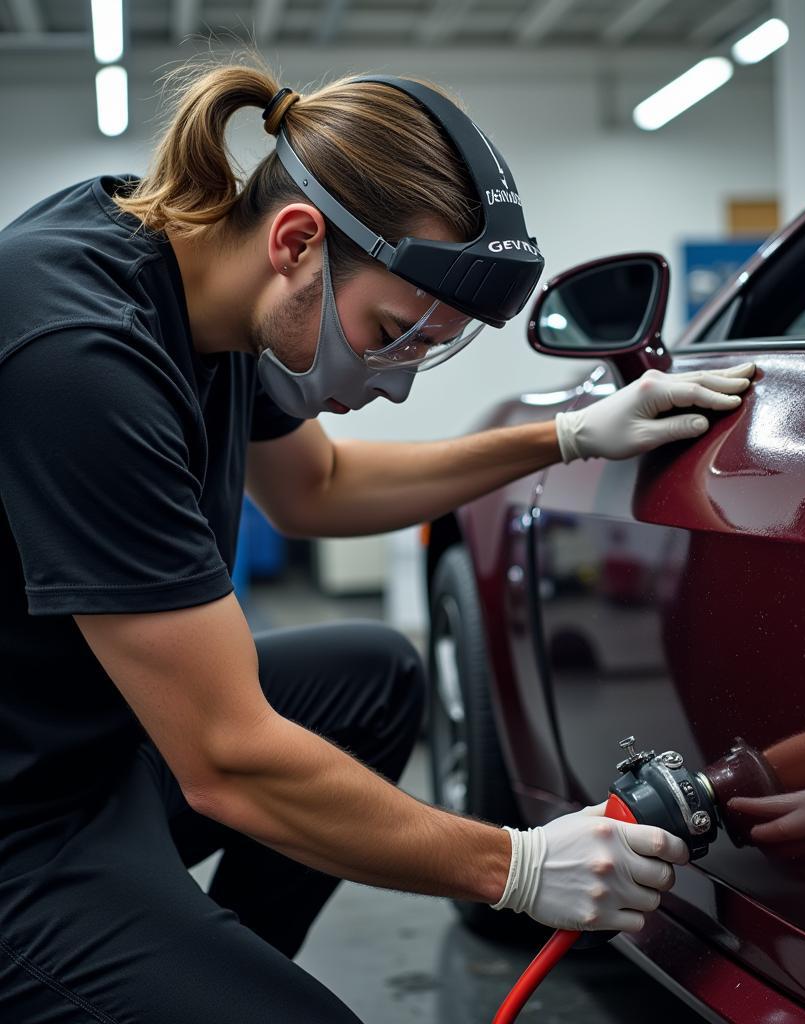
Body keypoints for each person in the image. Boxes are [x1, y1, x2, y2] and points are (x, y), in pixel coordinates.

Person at [0, 57, 754, 1022]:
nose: (395, 382)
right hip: (25, 823)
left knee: (374, 678)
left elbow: (318, 487)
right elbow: (225, 757)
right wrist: (515, 866)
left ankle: (185, 967)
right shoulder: (79, 355)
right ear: (297, 240)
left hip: (92, 745)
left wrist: (565, 435)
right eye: (392, 333)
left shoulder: (197, 277)